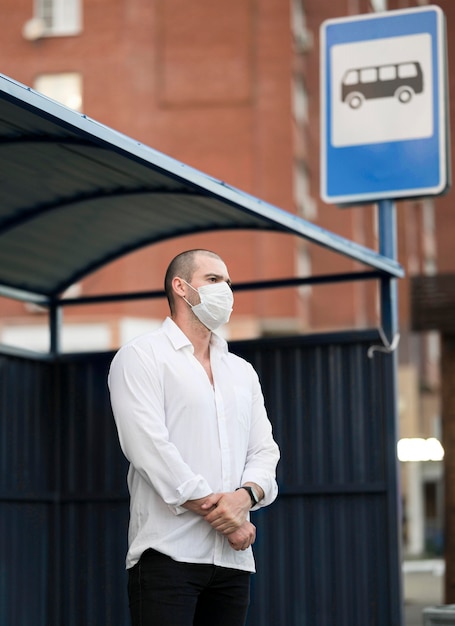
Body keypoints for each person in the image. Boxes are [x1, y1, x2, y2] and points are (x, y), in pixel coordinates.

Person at [108, 249, 280, 626]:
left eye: (229, 283)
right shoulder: (141, 357)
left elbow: (264, 451)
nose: (226, 291)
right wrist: (232, 519)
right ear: (180, 287)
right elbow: (148, 449)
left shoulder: (242, 372)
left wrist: (246, 496)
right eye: (214, 280)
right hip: (168, 556)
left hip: (233, 563)